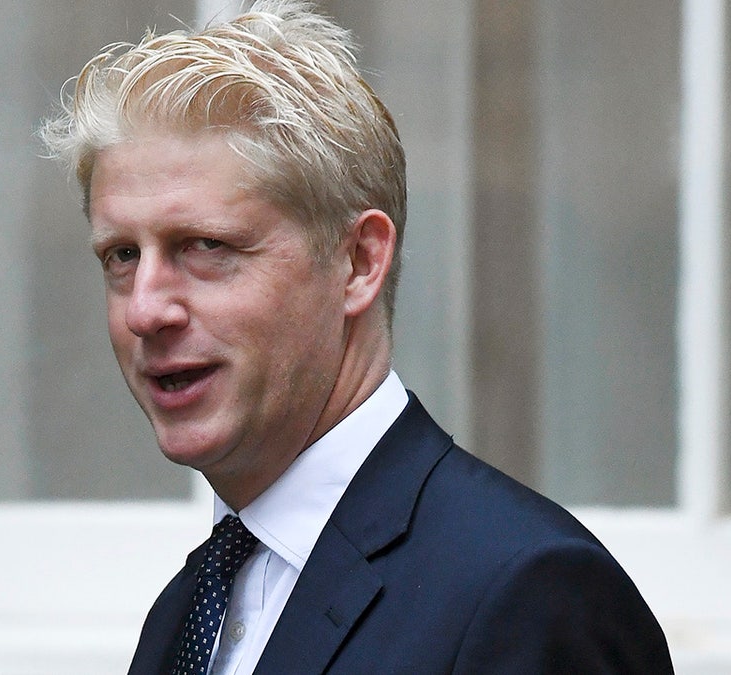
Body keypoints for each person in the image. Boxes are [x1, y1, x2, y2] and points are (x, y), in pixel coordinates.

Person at [40, 1, 672, 673]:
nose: (145, 310)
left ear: (359, 263)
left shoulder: (528, 593)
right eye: (121, 256)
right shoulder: (185, 615)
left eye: (205, 245)